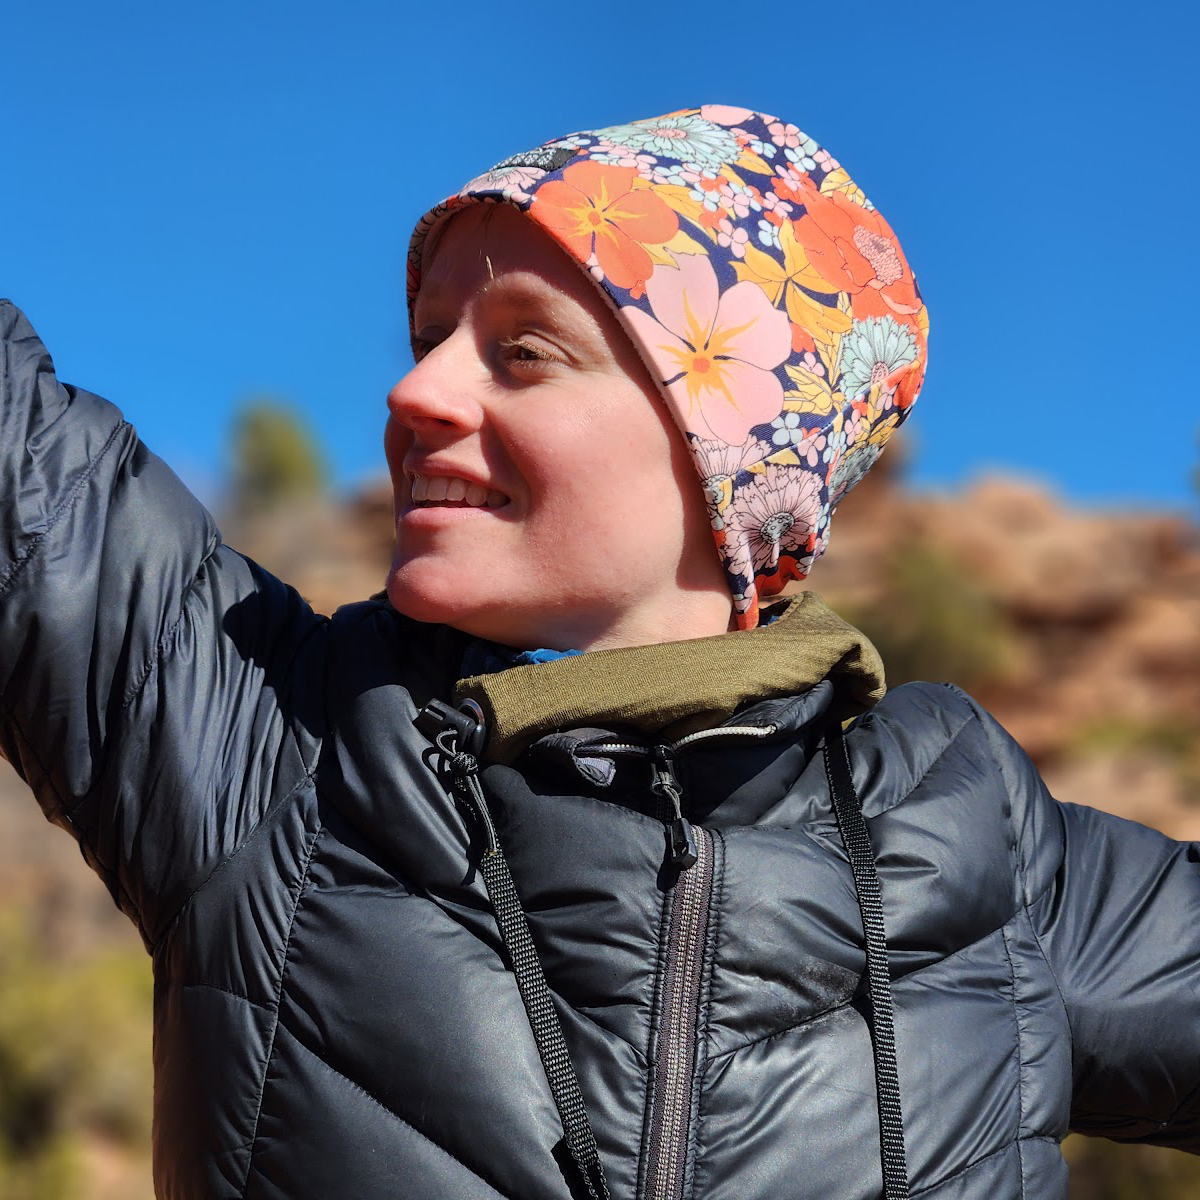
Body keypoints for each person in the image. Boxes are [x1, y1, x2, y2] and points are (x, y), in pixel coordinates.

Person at [1, 105, 1196, 1200]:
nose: (414, 391)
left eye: (521, 352)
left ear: (728, 454)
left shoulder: (970, 824)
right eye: (426, 338)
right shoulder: (264, 735)